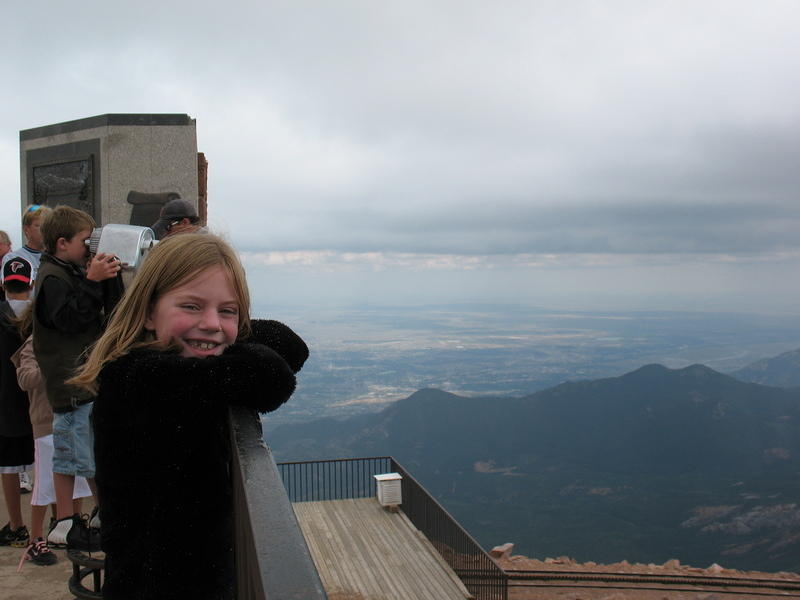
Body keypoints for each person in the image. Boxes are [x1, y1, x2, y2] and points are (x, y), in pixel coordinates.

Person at [70, 233, 309, 600]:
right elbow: (270, 378)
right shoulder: (139, 378)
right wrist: (229, 334)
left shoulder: (169, 370)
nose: (212, 323)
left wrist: (228, 331)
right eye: (192, 306)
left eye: (227, 310)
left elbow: (291, 346)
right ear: (149, 311)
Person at [32, 206, 121, 550]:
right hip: (69, 384)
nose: (91, 247)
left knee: (93, 451)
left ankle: (101, 511)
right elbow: (70, 319)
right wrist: (92, 281)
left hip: (83, 380)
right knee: (69, 453)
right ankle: (65, 522)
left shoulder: (67, 271)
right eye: (86, 241)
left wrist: (103, 279)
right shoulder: (53, 278)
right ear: (62, 243)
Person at [12, 321, 93, 567]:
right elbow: (25, 379)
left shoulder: (76, 338)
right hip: (47, 422)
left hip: (76, 416)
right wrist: (53, 367)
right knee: (44, 484)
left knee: (78, 478)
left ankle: (71, 526)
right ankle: (35, 540)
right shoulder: (33, 342)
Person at [0, 258, 34, 549]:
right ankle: (56, 521)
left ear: (3, 285)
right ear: (31, 284)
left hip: (6, 402)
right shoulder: (41, 314)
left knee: (9, 468)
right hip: (38, 400)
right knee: (48, 465)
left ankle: (16, 526)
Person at [2, 205, 53, 286]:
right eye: (39, 226)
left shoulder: (56, 258)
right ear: (26, 229)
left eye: (48, 226)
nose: (45, 230)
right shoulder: (12, 259)